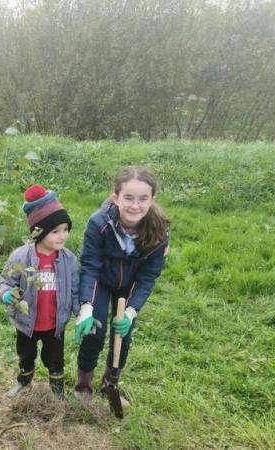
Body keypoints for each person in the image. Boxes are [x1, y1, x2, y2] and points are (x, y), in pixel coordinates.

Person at [73, 166, 170, 404]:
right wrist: (86, 307)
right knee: (94, 331)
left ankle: (110, 385)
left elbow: (148, 276)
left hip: (130, 287)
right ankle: (83, 386)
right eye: (128, 198)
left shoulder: (159, 231)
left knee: (122, 335)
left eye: (143, 198)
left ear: (152, 199)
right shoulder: (99, 224)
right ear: (116, 197)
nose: (135, 206)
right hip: (101, 281)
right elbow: (90, 266)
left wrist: (130, 311)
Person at [0, 184, 80, 399]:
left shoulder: (68, 260)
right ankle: (23, 383)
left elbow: (75, 290)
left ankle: (57, 391)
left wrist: (81, 313)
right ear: (39, 232)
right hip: (27, 323)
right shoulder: (21, 257)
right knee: (26, 355)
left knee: (56, 360)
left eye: (66, 229)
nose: (63, 236)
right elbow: (5, 281)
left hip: (55, 324)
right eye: (55, 231)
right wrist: (6, 294)